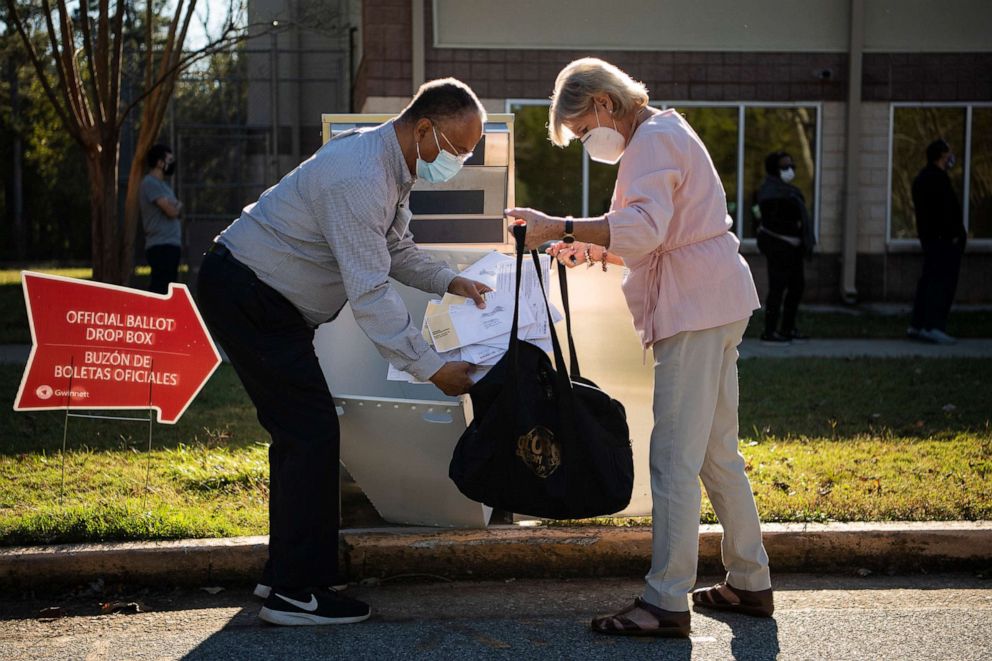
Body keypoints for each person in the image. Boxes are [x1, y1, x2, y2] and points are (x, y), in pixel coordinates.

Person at [196, 78, 492, 627]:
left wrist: (451, 281)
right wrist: (429, 368)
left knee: (299, 433)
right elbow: (371, 290)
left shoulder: (390, 165)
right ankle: (295, 593)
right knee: (310, 431)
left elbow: (395, 249)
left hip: (262, 297)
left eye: (471, 151)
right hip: (251, 295)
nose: (460, 160)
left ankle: (286, 573)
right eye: (456, 149)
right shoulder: (361, 176)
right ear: (424, 129)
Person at [508, 57, 773, 638]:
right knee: (714, 453)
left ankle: (664, 602)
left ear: (604, 103)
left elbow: (647, 229)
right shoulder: (666, 131)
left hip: (693, 308)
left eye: (581, 130)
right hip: (717, 300)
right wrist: (597, 249)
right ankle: (750, 583)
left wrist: (559, 227)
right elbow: (661, 233)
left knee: (674, 459)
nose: (585, 142)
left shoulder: (650, 142)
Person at [908, 139, 966, 345]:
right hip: (943, 241)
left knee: (928, 281)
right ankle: (933, 326)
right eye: (949, 153)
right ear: (942, 155)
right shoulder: (938, 180)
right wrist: (955, 235)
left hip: (931, 239)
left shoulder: (922, 179)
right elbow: (945, 213)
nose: (952, 157)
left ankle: (918, 324)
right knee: (941, 284)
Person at [754, 150, 815, 344]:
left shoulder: (790, 190)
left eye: (792, 166)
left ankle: (787, 328)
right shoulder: (768, 192)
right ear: (774, 169)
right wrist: (793, 227)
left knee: (796, 287)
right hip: (778, 247)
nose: (790, 170)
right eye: (785, 166)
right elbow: (770, 221)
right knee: (777, 289)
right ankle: (770, 331)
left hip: (794, 248)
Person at [140, 144, 183, 294]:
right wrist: (175, 206)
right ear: (159, 162)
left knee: (169, 287)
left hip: (171, 244)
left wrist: (175, 206)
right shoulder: (149, 182)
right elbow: (171, 210)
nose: (172, 163)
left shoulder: (164, 186)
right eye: (169, 159)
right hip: (160, 245)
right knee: (159, 287)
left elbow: (177, 207)